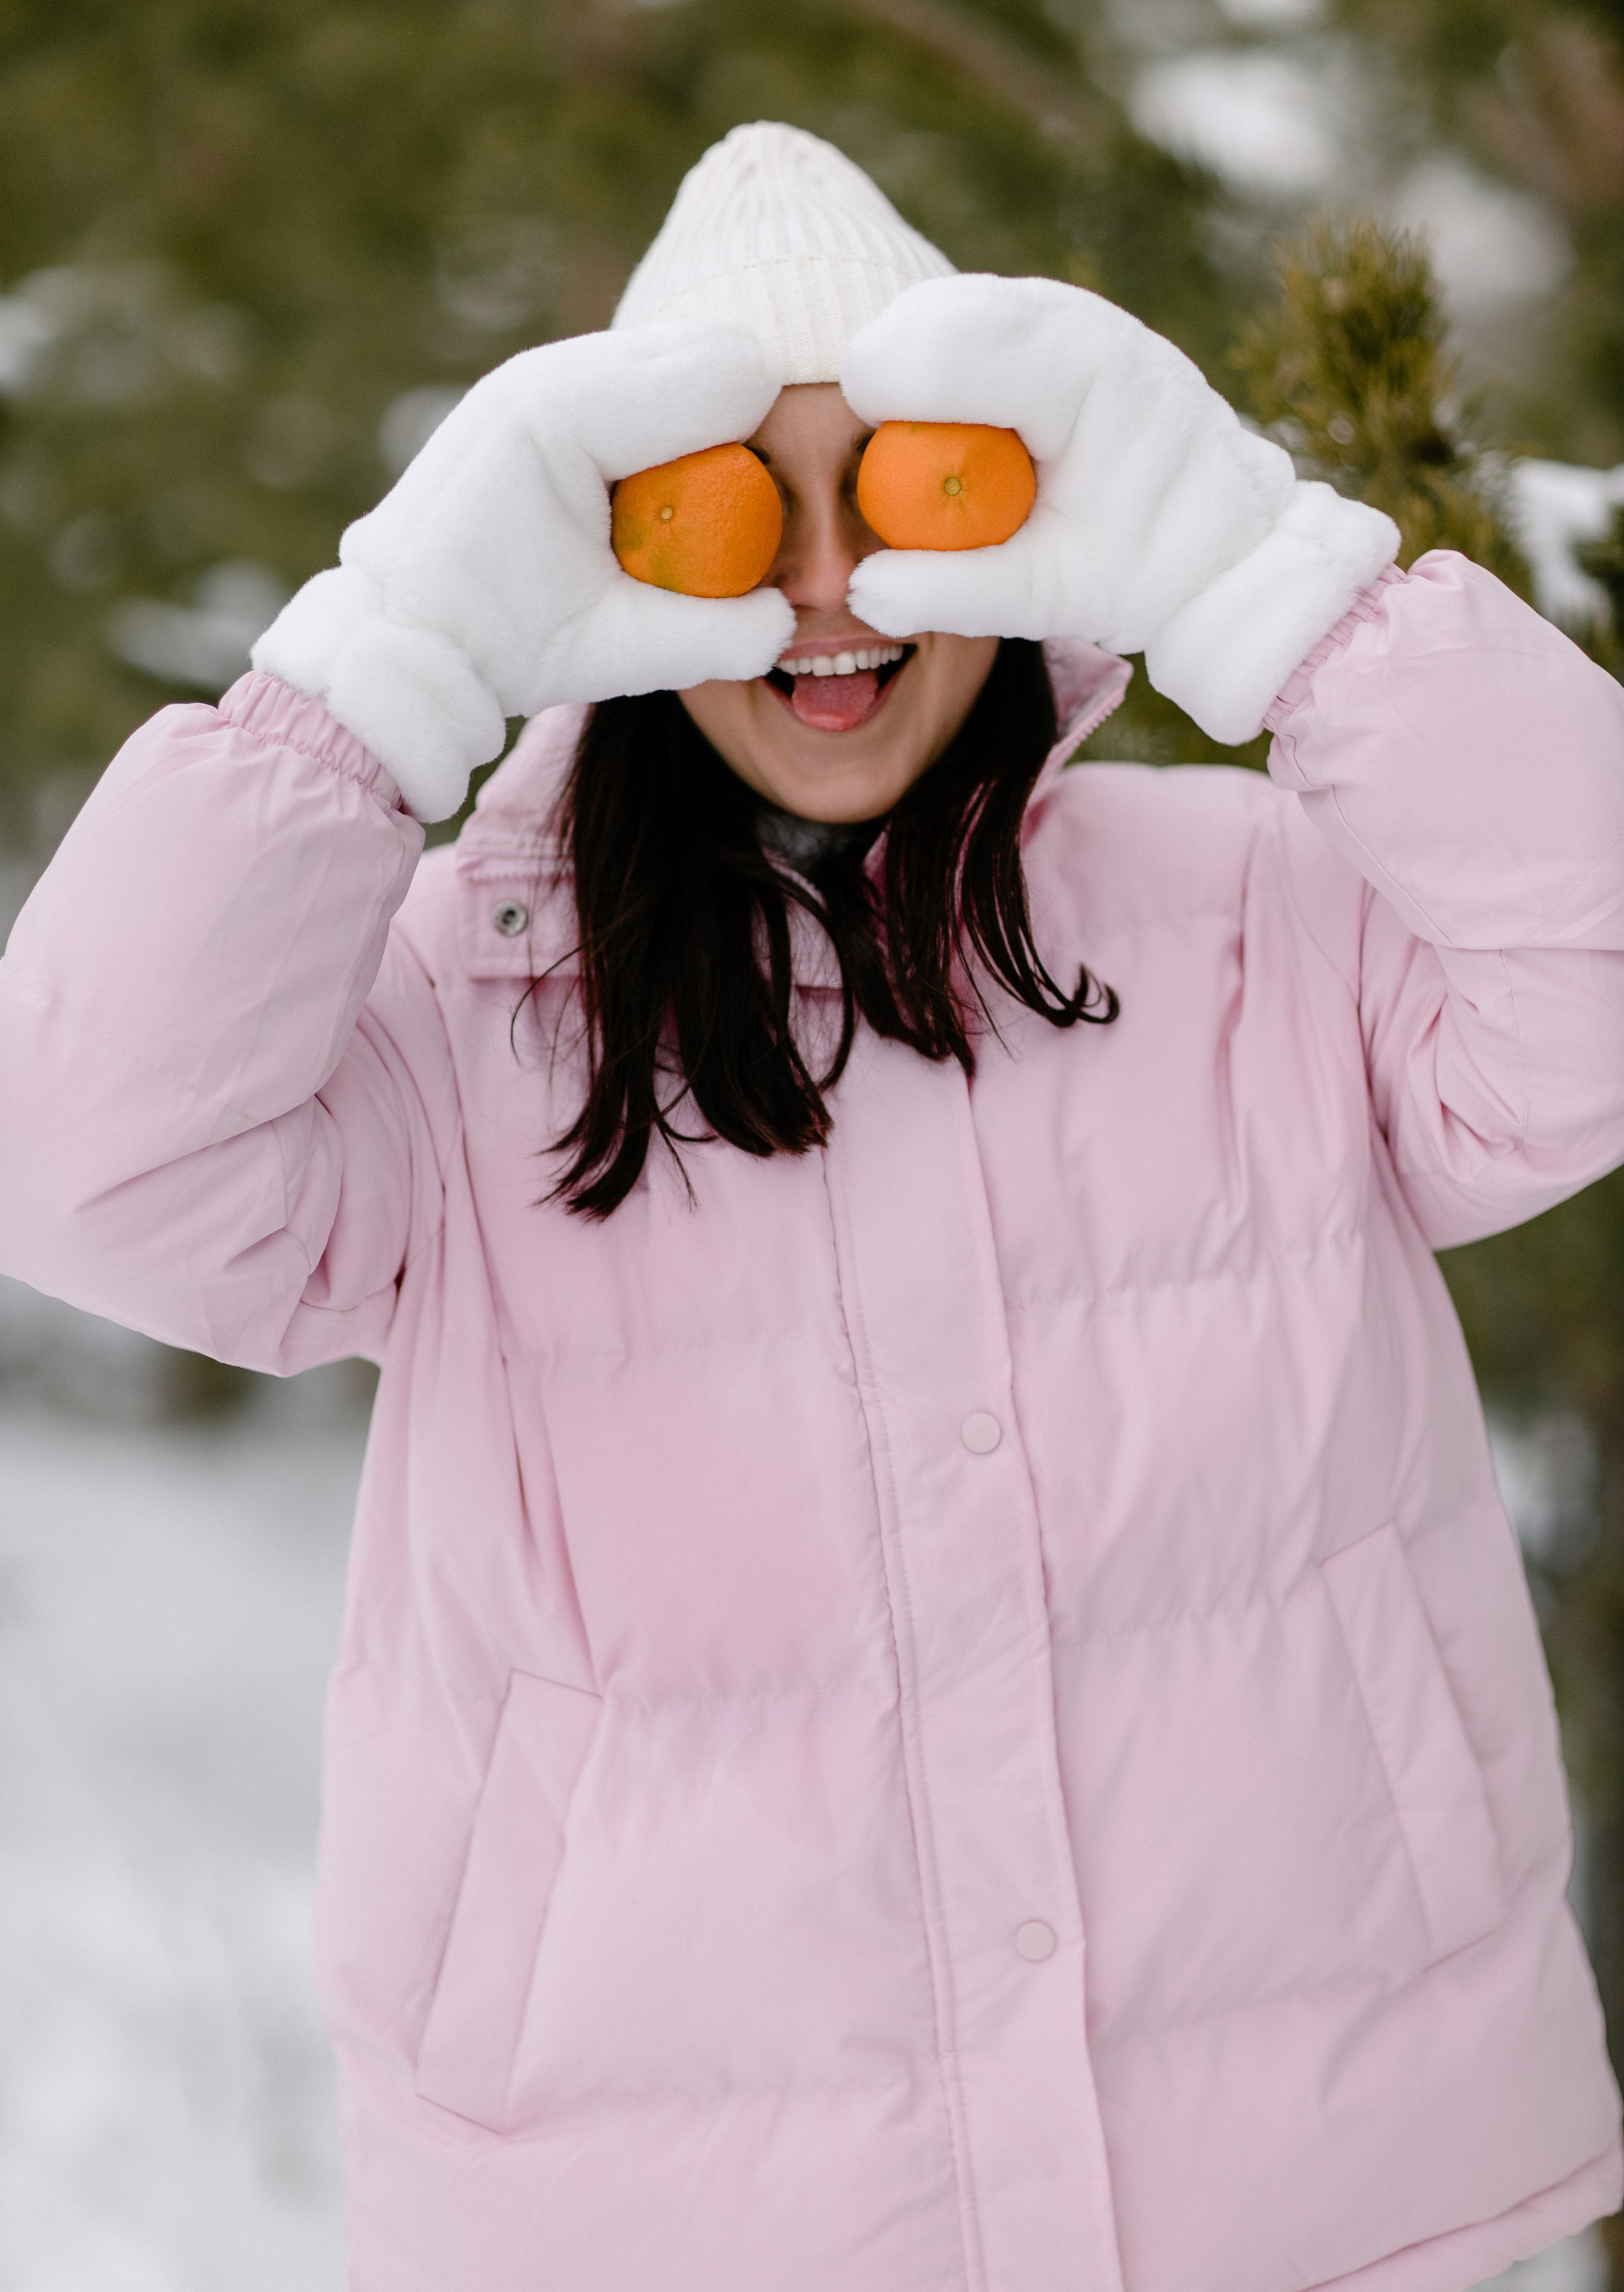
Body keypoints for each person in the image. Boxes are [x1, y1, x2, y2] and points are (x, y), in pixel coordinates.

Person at [1, 119, 1621, 2292]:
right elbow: (83, 1164)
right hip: (676, 2211)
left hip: (1307, 2169)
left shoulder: (1261, 916)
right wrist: (380, 667)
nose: (830, 584)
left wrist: (1270, 580)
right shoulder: (457, 1007)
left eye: (905, 493)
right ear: (617, 560)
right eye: (741, 514)